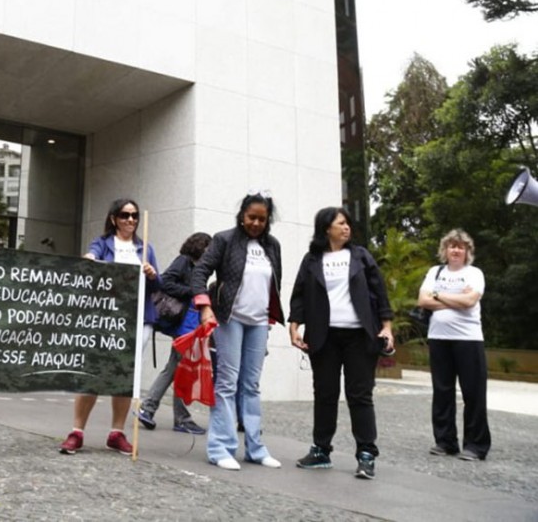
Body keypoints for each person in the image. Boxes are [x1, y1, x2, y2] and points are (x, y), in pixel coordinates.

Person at [289, 207, 394, 480]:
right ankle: (321, 451)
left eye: (347, 223)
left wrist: (386, 327)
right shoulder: (312, 259)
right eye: (340, 223)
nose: (346, 227)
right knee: (325, 394)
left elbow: (379, 291)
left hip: (360, 336)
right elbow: (299, 294)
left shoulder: (360, 256)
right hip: (324, 336)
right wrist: (294, 326)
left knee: (360, 395)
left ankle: (366, 454)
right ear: (326, 228)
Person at [191, 191, 285, 471]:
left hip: (258, 322)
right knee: (227, 383)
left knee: (252, 385)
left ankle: (255, 449)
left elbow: (275, 283)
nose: (256, 223)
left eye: (262, 219)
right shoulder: (224, 240)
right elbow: (200, 272)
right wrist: (205, 306)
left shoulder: (273, 246)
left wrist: (271, 317)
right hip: (228, 319)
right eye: (251, 217)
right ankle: (220, 448)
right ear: (242, 216)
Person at [59, 198, 160, 456]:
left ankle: (117, 433)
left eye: (135, 215)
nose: (131, 220)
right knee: (92, 372)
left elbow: (158, 286)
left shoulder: (145, 248)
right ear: (114, 218)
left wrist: (151, 274)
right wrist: (90, 260)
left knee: (124, 376)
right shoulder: (102, 244)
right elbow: (90, 262)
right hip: (104, 319)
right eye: (125, 215)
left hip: (136, 319)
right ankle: (77, 431)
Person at [417, 229, 490, 461]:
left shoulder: (474, 274)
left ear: (467, 251)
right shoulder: (434, 272)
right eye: (451, 246)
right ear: (445, 250)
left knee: (473, 393)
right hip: (439, 338)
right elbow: (422, 300)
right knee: (442, 392)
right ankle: (445, 442)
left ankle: (476, 446)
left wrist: (437, 296)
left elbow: (470, 301)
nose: (456, 250)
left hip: (469, 339)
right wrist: (454, 299)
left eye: (460, 246)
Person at [137, 232, 211, 435]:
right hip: (183, 323)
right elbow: (166, 281)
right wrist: (192, 291)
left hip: (189, 323)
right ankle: (152, 408)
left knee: (179, 368)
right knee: (175, 367)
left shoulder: (200, 267)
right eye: (207, 247)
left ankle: (174, 416)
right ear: (199, 246)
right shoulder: (184, 261)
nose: (210, 252)